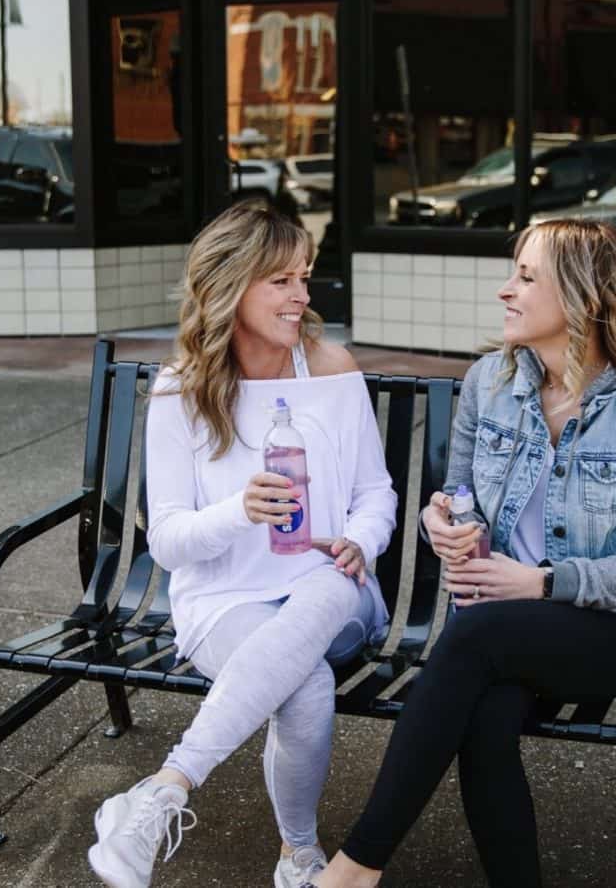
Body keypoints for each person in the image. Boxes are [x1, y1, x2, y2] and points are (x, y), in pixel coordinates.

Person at [311, 219, 616, 888]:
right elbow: (459, 495)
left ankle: (357, 866)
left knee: (475, 636)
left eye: (525, 276)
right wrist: (445, 521)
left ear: (584, 295)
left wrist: (541, 583)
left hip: (603, 633)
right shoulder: (489, 381)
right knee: (486, 719)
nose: (503, 290)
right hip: (495, 628)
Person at [87, 201, 397, 888]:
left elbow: (378, 493)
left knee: (320, 586)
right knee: (304, 683)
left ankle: (167, 786)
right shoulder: (182, 392)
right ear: (232, 283)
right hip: (226, 600)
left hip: (337, 589)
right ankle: (298, 856)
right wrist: (239, 511)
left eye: (305, 277)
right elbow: (166, 542)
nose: (302, 296)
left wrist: (359, 539)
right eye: (281, 280)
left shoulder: (328, 367)